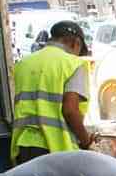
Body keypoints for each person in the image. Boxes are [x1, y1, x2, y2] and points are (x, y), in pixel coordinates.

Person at [10, 20, 93, 166]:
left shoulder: (24, 63)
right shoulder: (74, 64)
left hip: (23, 145)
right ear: (76, 43)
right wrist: (87, 142)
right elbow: (70, 111)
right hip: (55, 149)